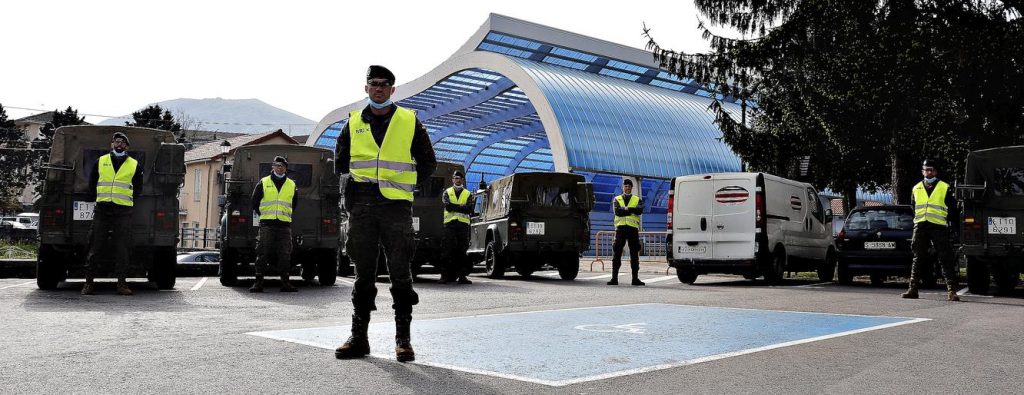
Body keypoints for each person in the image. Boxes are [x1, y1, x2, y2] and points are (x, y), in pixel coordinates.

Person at [334, 65, 437, 362]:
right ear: (366, 88)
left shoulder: (409, 122)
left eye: (384, 84)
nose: (378, 88)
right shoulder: (352, 123)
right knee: (362, 275)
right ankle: (359, 338)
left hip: (395, 207)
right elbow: (340, 163)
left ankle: (403, 340)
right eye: (373, 84)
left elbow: (428, 162)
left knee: (401, 274)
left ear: (393, 90)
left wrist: (406, 187)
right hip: (362, 206)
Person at [82, 131, 143, 296]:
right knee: (95, 246)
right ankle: (88, 284)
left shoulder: (134, 164)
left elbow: (138, 188)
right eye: (116, 141)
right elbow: (92, 183)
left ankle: (122, 284)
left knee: (122, 248)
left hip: (123, 211)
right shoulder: (100, 161)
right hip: (103, 209)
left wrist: (127, 200)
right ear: (111, 144)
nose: (119, 144)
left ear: (127, 146)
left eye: (122, 142)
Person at [902, 159, 960, 301]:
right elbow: (913, 207)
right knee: (917, 257)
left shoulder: (945, 187)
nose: (928, 172)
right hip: (921, 225)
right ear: (922, 171)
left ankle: (951, 291)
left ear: (935, 171)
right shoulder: (916, 188)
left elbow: (953, 210)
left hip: (938, 226)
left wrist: (951, 226)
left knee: (945, 258)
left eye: (931, 170)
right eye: (925, 170)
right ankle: (913, 289)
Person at [249, 156, 300, 293]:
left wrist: (285, 214)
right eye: (277, 165)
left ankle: (285, 283)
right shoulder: (263, 182)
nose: (279, 167)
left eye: (282, 165)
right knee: (262, 254)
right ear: (272, 167)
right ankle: (258, 283)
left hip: (284, 225)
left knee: (285, 255)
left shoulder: (291, 184)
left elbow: (294, 204)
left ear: (285, 168)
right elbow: (255, 201)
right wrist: (264, 215)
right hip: (267, 225)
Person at [608, 179, 645, 286]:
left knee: (634, 254)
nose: (627, 188)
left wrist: (626, 208)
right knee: (617, 253)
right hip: (620, 229)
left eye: (629, 186)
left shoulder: (637, 199)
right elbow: (618, 212)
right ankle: (614, 278)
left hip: (632, 229)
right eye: (625, 186)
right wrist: (632, 209)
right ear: (623, 187)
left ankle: (635, 279)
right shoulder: (617, 199)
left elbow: (640, 211)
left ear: (632, 187)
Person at [440, 170, 474, 285]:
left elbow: (469, 209)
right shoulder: (447, 192)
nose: (457, 180)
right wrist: (460, 206)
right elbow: (447, 207)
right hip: (449, 225)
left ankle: (462, 277)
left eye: (459, 178)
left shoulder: (468, 193)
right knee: (447, 251)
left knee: (462, 251)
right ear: (452, 179)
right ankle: (444, 276)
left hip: (463, 226)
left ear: (462, 180)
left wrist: (455, 206)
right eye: (455, 178)